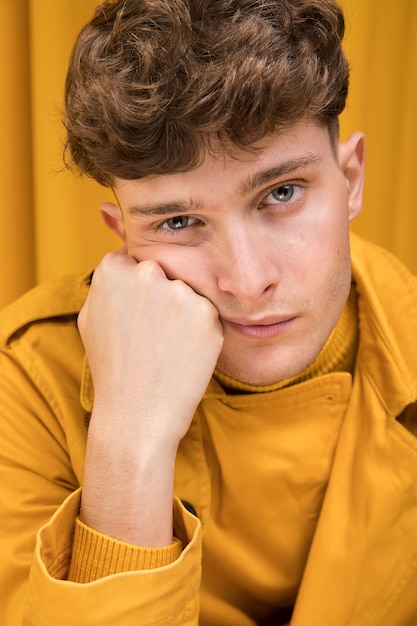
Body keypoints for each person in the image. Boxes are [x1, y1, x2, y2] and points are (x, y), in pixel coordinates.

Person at [1, 0, 417, 624]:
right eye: (178, 221)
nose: (248, 283)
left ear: (350, 179)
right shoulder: (25, 383)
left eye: (281, 193)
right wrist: (129, 440)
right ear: (123, 235)